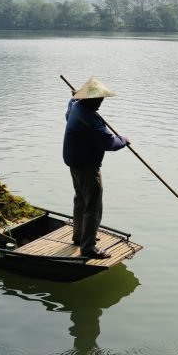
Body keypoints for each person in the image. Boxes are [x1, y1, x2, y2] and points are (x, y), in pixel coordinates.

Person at [63, 77, 129, 259]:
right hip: (87, 167)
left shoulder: (75, 107)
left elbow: (69, 109)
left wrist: (74, 97)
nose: (101, 101)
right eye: (98, 99)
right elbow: (109, 143)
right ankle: (88, 247)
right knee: (93, 205)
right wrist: (123, 140)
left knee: (81, 200)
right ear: (90, 99)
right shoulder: (91, 119)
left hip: (74, 163)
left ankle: (79, 236)